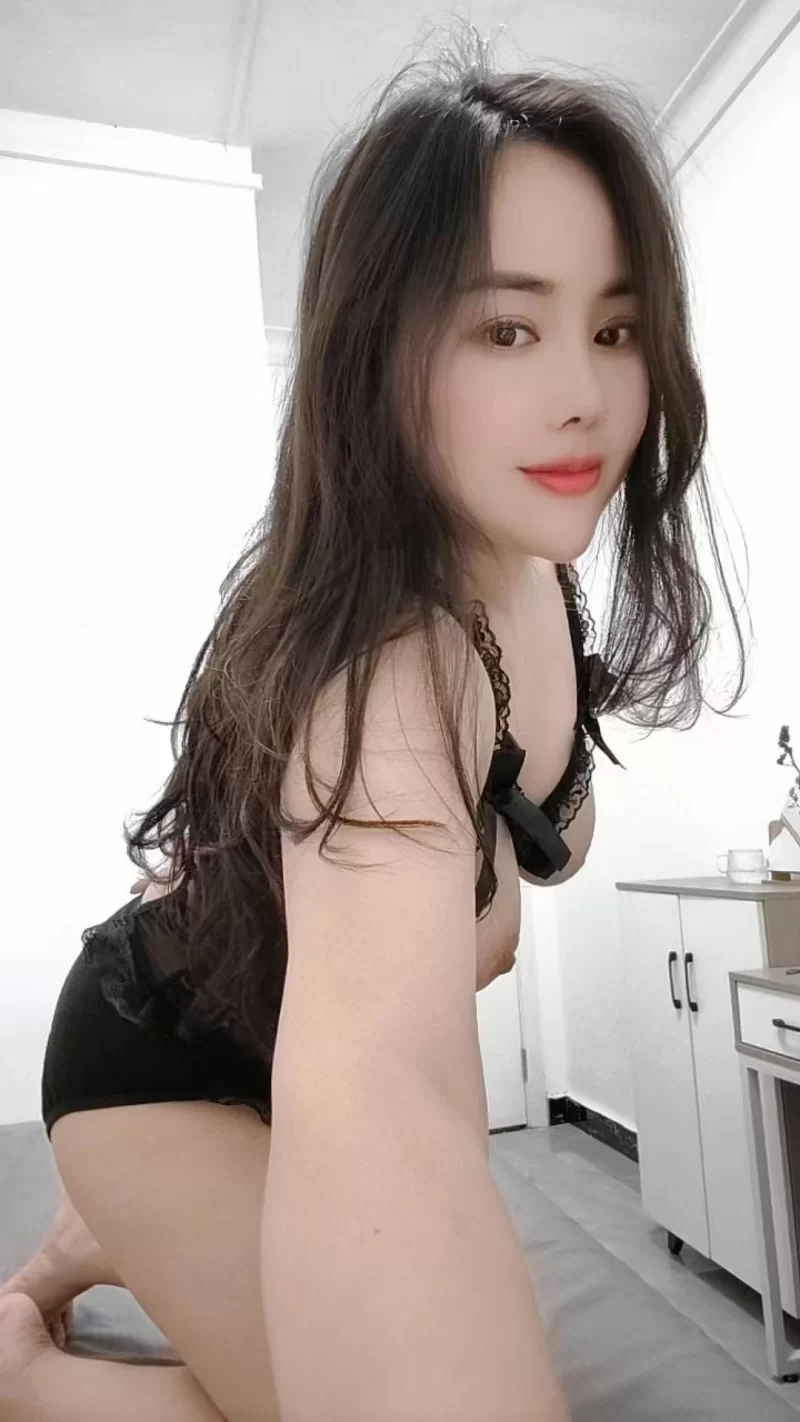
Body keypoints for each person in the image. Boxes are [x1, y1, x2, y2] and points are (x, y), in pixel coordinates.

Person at [0, 24, 746, 1422]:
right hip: (154, 1062)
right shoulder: (394, 658)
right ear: (380, 358)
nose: (584, 393)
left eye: (615, 327)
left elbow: (496, 888)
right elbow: (381, 1083)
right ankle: (25, 1368)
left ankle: (95, 1237)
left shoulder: (536, 562)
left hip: (253, 1019)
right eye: (508, 328)